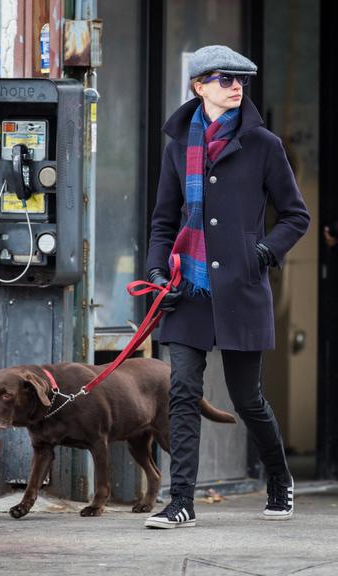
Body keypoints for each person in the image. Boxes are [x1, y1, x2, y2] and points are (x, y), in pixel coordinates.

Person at [144, 45, 310, 529]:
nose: (236, 86)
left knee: (246, 398)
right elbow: (162, 221)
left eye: (241, 79)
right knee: (182, 392)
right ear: (199, 86)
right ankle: (181, 503)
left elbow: (296, 216)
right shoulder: (177, 146)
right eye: (224, 78)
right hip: (187, 290)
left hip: (241, 289)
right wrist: (157, 275)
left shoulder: (264, 145)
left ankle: (279, 479)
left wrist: (261, 253)